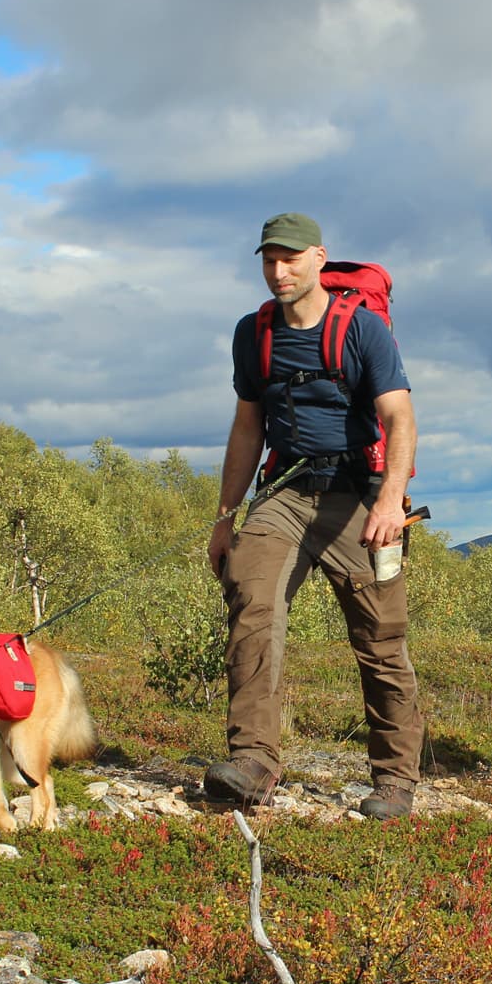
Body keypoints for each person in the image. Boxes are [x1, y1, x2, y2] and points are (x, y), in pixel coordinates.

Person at [203, 213, 423, 819]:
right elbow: (248, 427)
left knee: (381, 639)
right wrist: (225, 519)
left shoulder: (363, 330)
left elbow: (401, 420)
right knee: (252, 599)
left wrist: (388, 499)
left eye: (292, 258)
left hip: (360, 497)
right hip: (287, 493)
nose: (280, 271)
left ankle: (395, 780)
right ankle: (252, 760)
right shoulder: (253, 334)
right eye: (270, 260)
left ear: (319, 258)